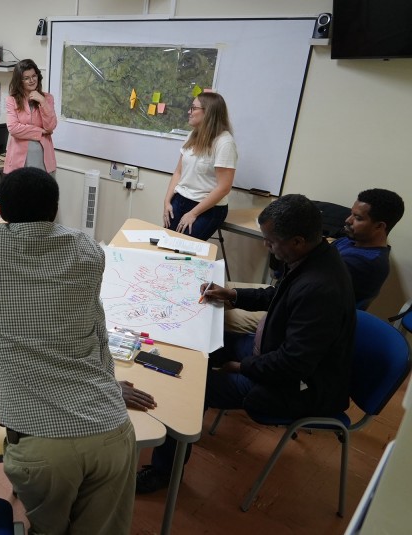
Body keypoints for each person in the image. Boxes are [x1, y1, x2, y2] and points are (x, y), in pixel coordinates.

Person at [0, 167, 156, 534]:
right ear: (55, 210)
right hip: (112, 432)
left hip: (41, 448)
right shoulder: (88, 250)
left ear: (1, 212)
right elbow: (95, 330)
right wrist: (108, 384)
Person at [138, 194, 355, 493]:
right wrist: (233, 295)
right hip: (269, 352)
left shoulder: (320, 289)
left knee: (190, 388)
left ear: (297, 241)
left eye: (270, 241)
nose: (267, 246)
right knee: (203, 343)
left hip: (295, 385)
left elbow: (293, 364)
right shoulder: (313, 257)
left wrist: (241, 367)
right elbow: (277, 296)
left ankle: (163, 472)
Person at [226, 188, 405, 334]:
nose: (348, 220)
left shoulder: (362, 263)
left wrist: (237, 298)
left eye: (358, 218)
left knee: (221, 317)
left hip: (297, 315)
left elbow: (288, 297)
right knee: (223, 289)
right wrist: (235, 295)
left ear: (380, 226)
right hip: (289, 297)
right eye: (351, 214)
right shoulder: (353, 241)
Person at [163, 92, 237, 240]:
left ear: (208, 111)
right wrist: (167, 202)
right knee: (166, 244)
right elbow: (178, 172)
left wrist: (193, 213)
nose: (189, 112)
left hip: (207, 208)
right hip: (180, 200)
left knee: (183, 249)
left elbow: (224, 188)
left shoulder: (224, 143)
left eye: (193, 108)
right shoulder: (192, 135)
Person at [3, 59, 57, 175]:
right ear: (20, 81)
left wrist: (42, 101)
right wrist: (40, 132)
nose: (32, 80)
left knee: (43, 192)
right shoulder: (11, 100)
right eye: (26, 78)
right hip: (19, 161)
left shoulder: (48, 99)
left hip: (43, 160)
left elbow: (51, 126)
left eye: (34, 76)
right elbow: (13, 129)